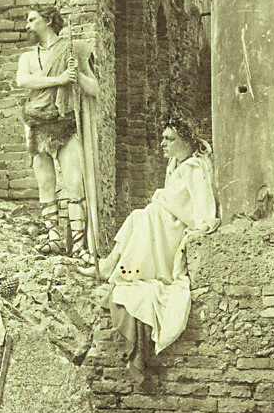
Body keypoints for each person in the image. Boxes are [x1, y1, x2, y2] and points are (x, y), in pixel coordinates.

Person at [88, 116, 219, 379]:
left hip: (172, 232)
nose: (163, 144)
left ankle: (113, 268)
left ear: (186, 141)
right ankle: (111, 265)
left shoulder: (194, 168)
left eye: (170, 139)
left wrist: (171, 209)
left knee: (144, 214)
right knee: (142, 215)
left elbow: (205, 214)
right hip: (160, 230)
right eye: (163, 138)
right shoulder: (175, 165)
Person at [16, 6, 99, 266]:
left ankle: (78, 246)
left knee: (74, 183)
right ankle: (53, 238)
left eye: (32, 19)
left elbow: (94, 88)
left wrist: (75, 77)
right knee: (45, 182)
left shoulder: (74, 50)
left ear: (48, 20)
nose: (27, 25)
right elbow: (23, 82)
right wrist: (59, 79)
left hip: (64, 121)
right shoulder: (28, 57)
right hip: (36, 120)